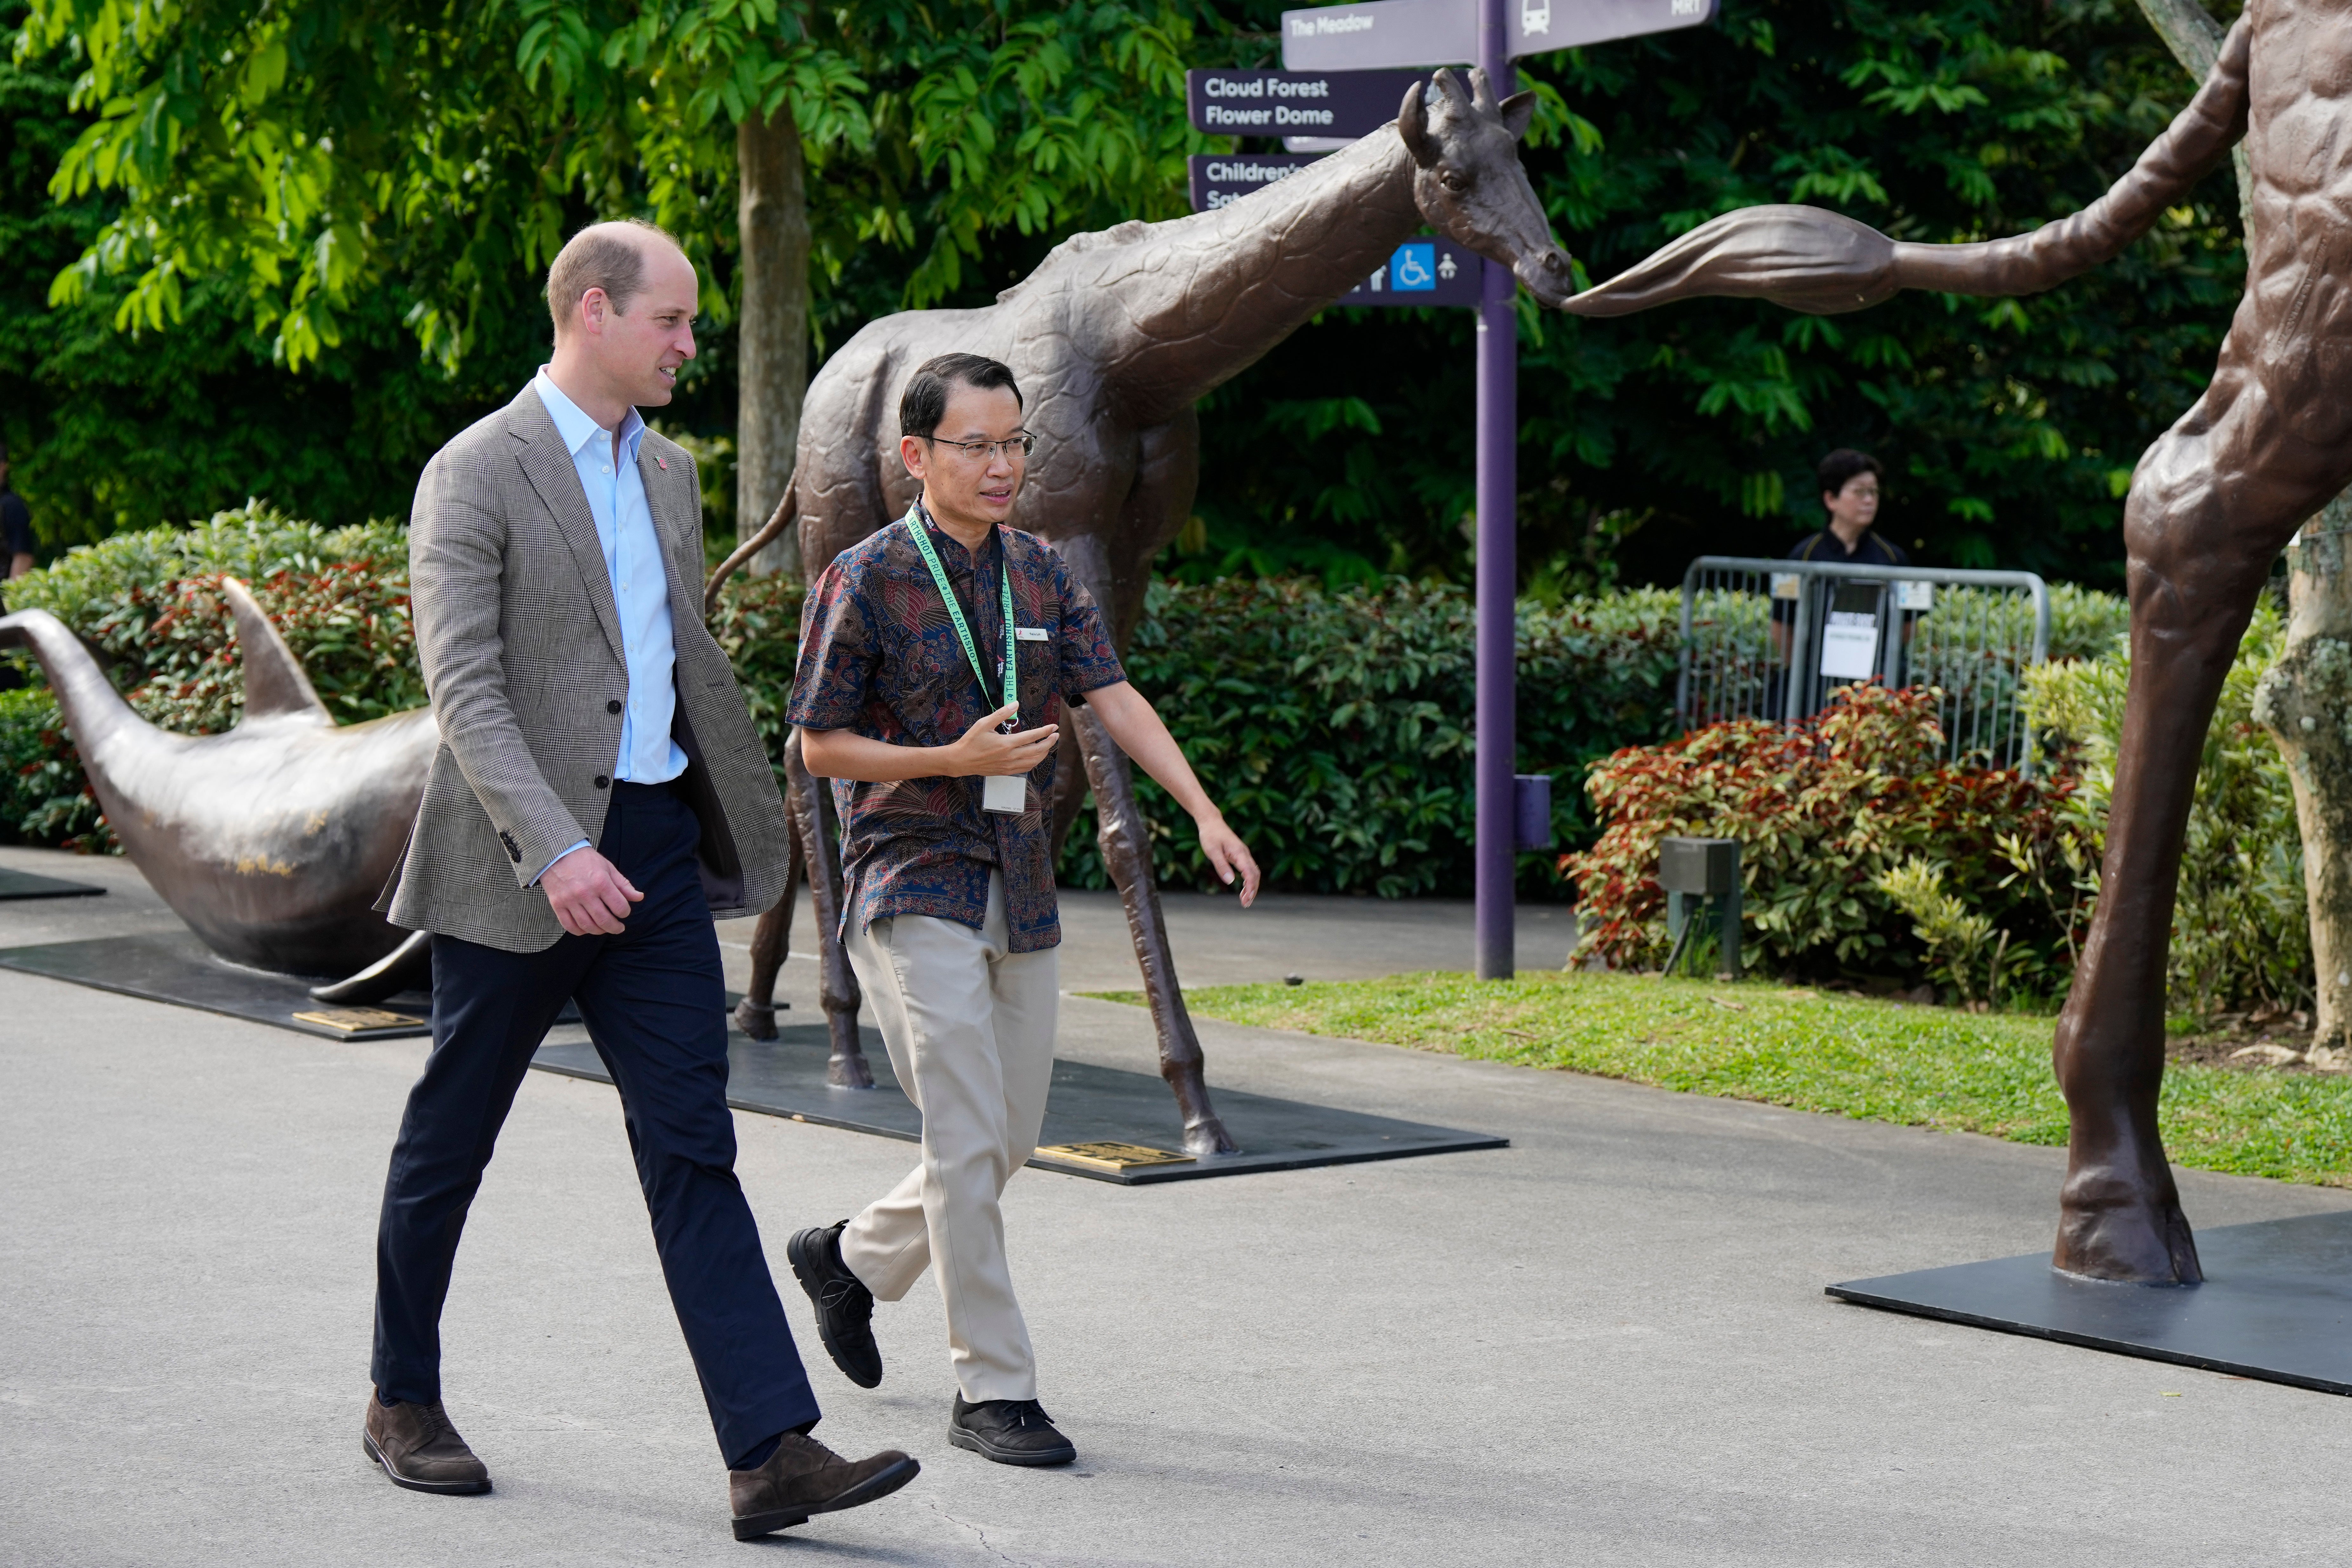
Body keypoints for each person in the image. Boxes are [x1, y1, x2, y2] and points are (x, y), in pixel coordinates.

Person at [368, 218, 917, 1541]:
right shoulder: (474, 470)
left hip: (658, 851)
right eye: (670, 320)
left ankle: (768, 1451)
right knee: (452, 1136)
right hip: (520, 863)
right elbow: (465, 688)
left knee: (692, 1142)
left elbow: (675, 654)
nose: (688, 343)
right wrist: (555, 846)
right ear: (593, 313)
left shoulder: (669, 471)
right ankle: (400, 1397)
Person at [783, 352, 1261, 1468]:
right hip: (910, 873)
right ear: (917, 455)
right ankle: (993, 1388)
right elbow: (816, 744)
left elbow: (1113, 695)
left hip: (1020, 875)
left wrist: (1202, 809)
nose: (1002, 466)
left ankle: (849, 1258)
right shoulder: (865, 576)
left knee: (1004, 1139)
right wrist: (944, 759)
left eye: (1014, 444)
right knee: (964, 1132)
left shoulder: (1041, 572)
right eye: (978, 446)